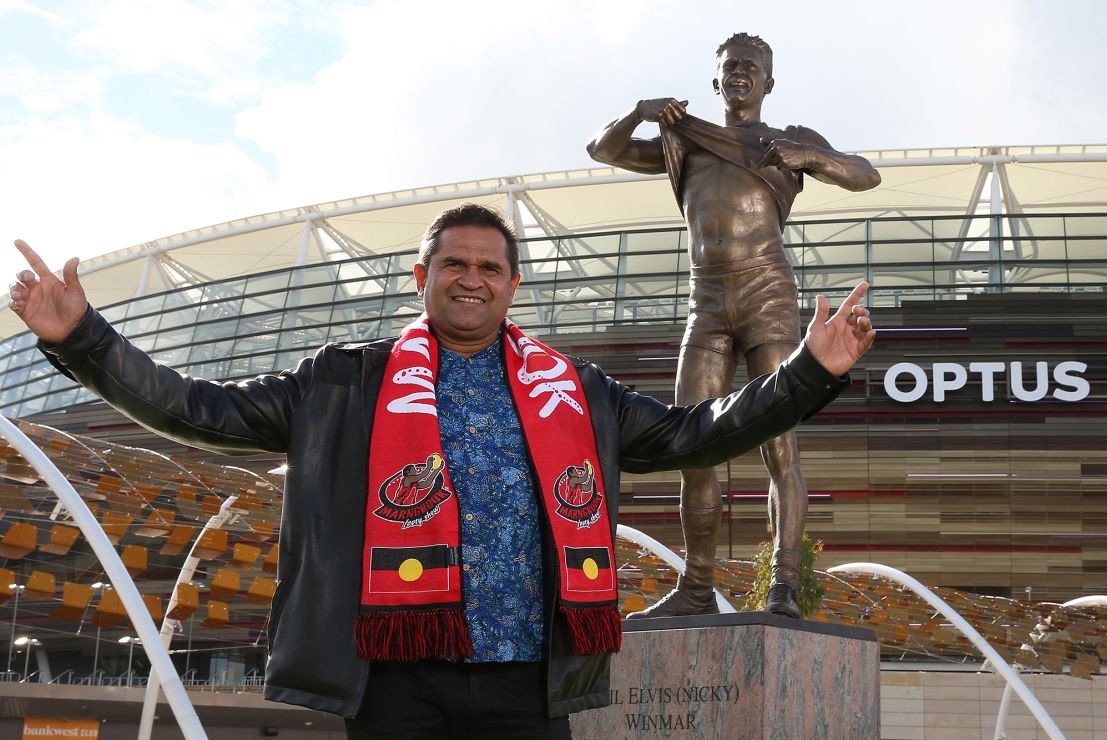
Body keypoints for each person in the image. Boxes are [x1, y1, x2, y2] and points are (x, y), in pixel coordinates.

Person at [8, 203, 874, 738]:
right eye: (453, 264)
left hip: (534, 685)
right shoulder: (343, 381)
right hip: (394, 682)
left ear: (513, 285)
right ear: (421, 277)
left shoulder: (576, 392)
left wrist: (810, 370)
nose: (471, 278)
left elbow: (698, 433)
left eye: (488, 267)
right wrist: (82, 338)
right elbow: (197, 409)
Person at [587, 33, 882, 619]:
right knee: (691, 446)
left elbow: (865, 174)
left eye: (753, 66)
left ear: (769, 82)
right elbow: (603, 149)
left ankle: (785, 586)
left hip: (766, 293)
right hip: (707, 300)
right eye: (731, 67)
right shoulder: (686, 138)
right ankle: (697, 588)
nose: (741, 73)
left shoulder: (787, 141)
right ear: (716, 81)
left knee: (780, 448)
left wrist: (811, 159)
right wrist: (641, 112)